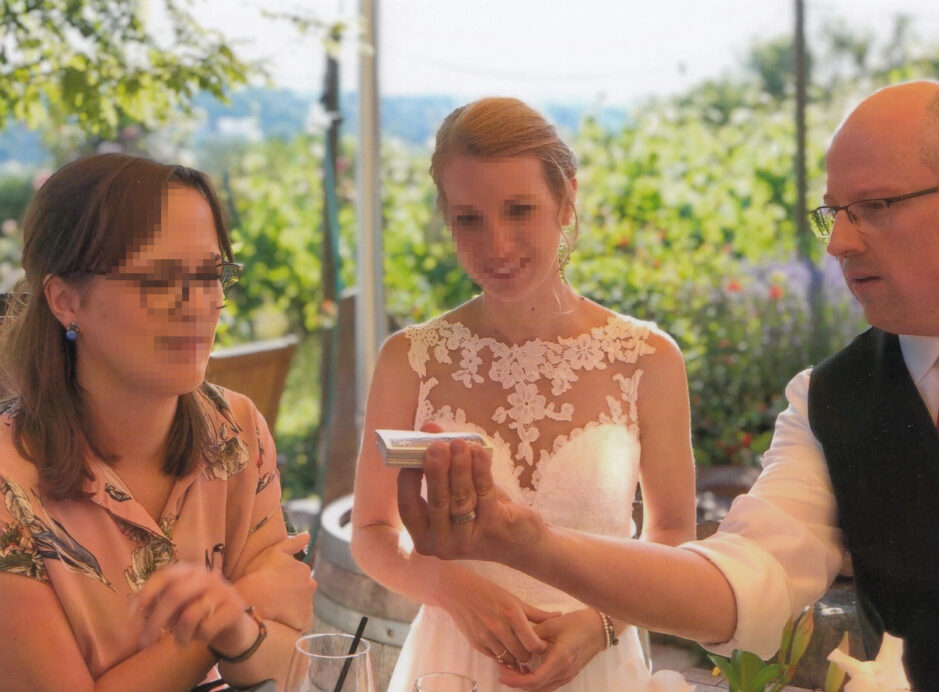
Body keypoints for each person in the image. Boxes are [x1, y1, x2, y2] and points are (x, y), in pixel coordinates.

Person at [396, 81, 939, 692]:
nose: (838, 242)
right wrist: (532, 546)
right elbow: (747, 580)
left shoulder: (647, 355)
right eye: (834, 213)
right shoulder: (829, 401)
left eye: (875, 208)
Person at [350, 97, 696, 691]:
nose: (496, 244)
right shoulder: (410, 359)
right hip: (453, 663)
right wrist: (450, 588)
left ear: (566, 201)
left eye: (519, 210)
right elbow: (371, 533)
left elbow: (672, 533)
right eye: (469, 219)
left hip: (600, 669)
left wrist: (602, 623)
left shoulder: (649, 359)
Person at [0, 153, 316, 691]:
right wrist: (224, 619)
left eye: (210, 274)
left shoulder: (235, 428)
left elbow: (292, 662)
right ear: (65, 300)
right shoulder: (9, 485)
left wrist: (236, 627)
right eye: (162, 279)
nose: (199, 305)